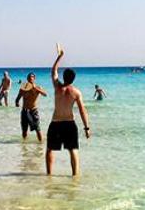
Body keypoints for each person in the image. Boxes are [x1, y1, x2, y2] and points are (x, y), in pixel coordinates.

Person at [46, 45, 90, 175]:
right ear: (73, 79)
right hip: (70, 124)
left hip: (56, 123)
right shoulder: (76, 92)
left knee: (50, 149)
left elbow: (53, 71)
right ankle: (75, 176)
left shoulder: (57, 87)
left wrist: (59, 57)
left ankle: (49, 175)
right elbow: (82, 111)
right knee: (73, 150)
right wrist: (86, 128)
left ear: (63, 77)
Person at [15, 72, 48, 142]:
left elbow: (45, 94)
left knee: (37, 129)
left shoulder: (38, 88)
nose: (30, 78)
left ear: (34, 78)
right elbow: (18, 97)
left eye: (32, 77)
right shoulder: (23, 88)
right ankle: (24, 146)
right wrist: (17, 102)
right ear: (27, 79)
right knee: (24, 130)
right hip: (24, 111)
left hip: (33, 111)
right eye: (29, 77)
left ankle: (40, 145)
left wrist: (36, 88)